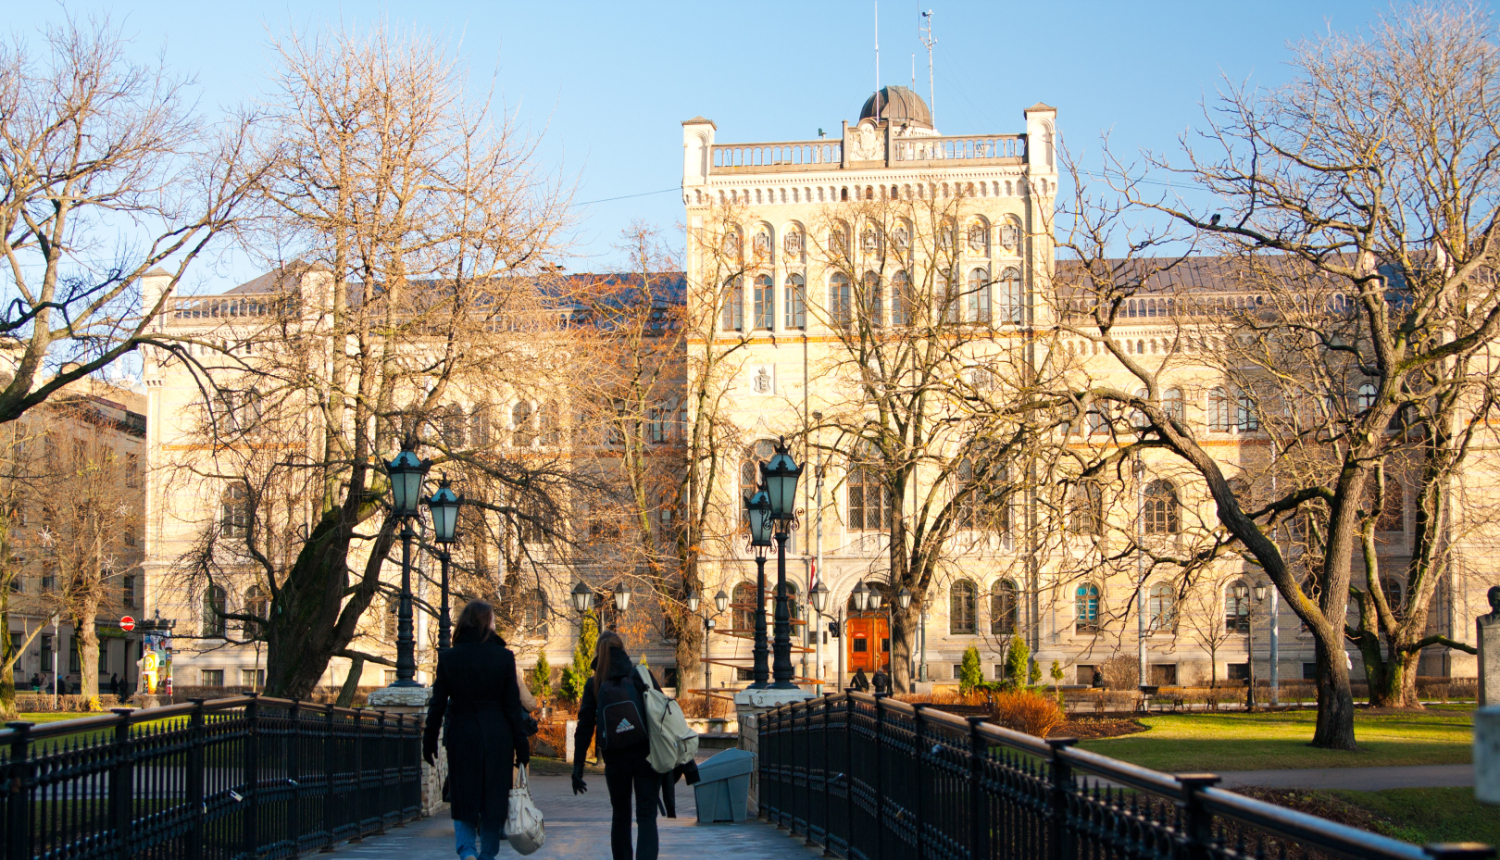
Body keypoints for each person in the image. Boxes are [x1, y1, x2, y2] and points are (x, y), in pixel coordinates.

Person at [423, 600, 531, 860]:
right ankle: (488, 854)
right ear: (488, 623)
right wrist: (522, 746)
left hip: (463, 734)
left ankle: (467, 850)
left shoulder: (450, 657)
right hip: (497, 736)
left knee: (464, 797)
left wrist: (429, 740)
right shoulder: (503, 657)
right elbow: (512, 707)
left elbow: (437, 704)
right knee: (493, 801)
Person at [571, 632, 665, 860]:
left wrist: (578, 768)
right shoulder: (640, 675)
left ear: (598, 653)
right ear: (622, 649)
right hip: (646, 755)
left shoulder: (595, 684)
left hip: (615, 759)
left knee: (621, 816)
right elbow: (663, 712)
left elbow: (584, 728)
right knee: (646, 816)